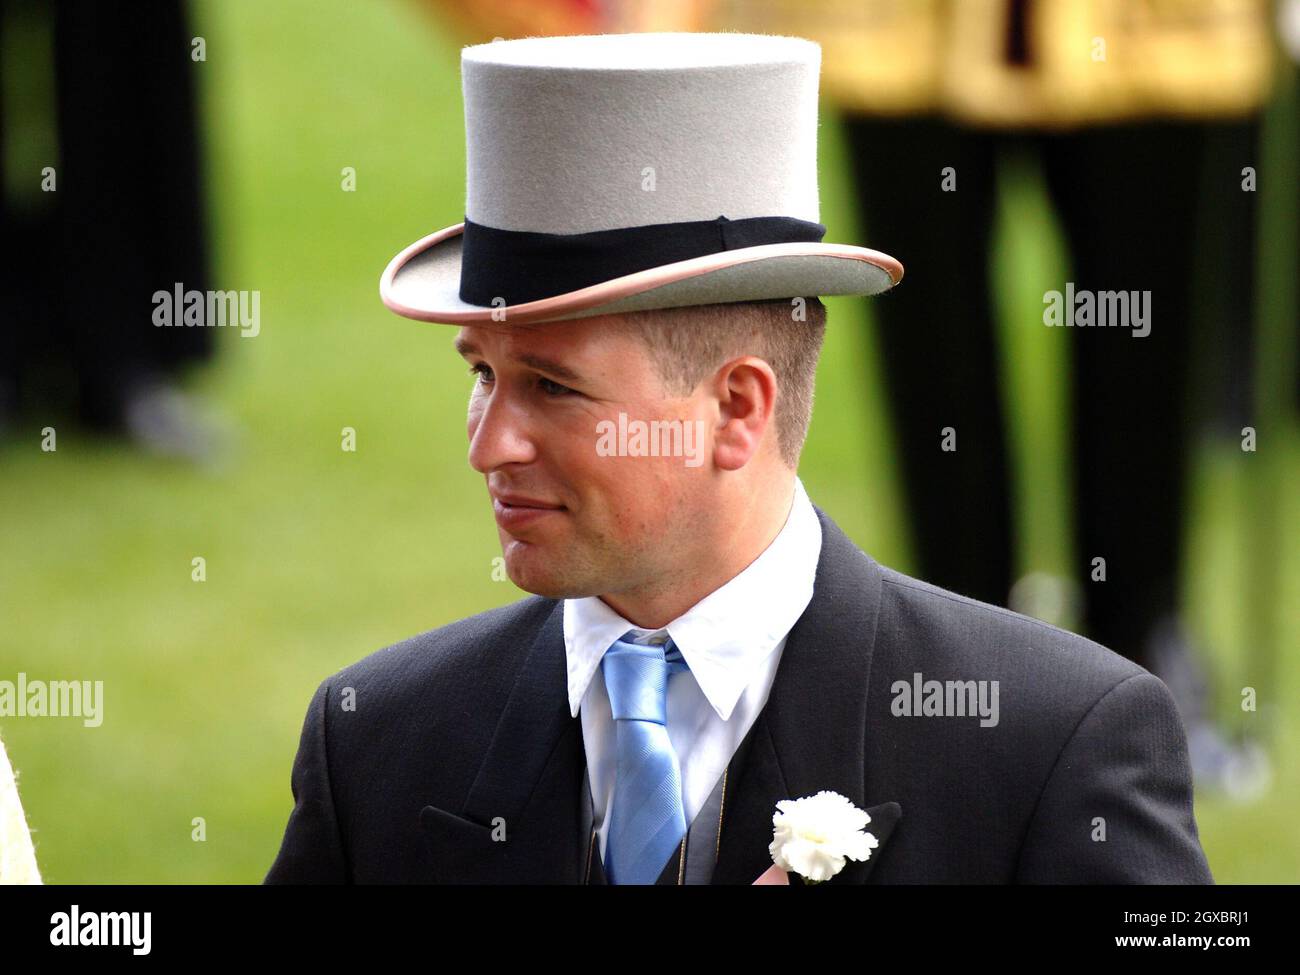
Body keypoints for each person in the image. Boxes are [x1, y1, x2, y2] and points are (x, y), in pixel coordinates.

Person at [264, 32, 1211, 884]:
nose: (487, 445)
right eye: (481, 373)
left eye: (553, 387)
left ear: (735, 407)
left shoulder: (1054, 746)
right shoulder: (375, 741)